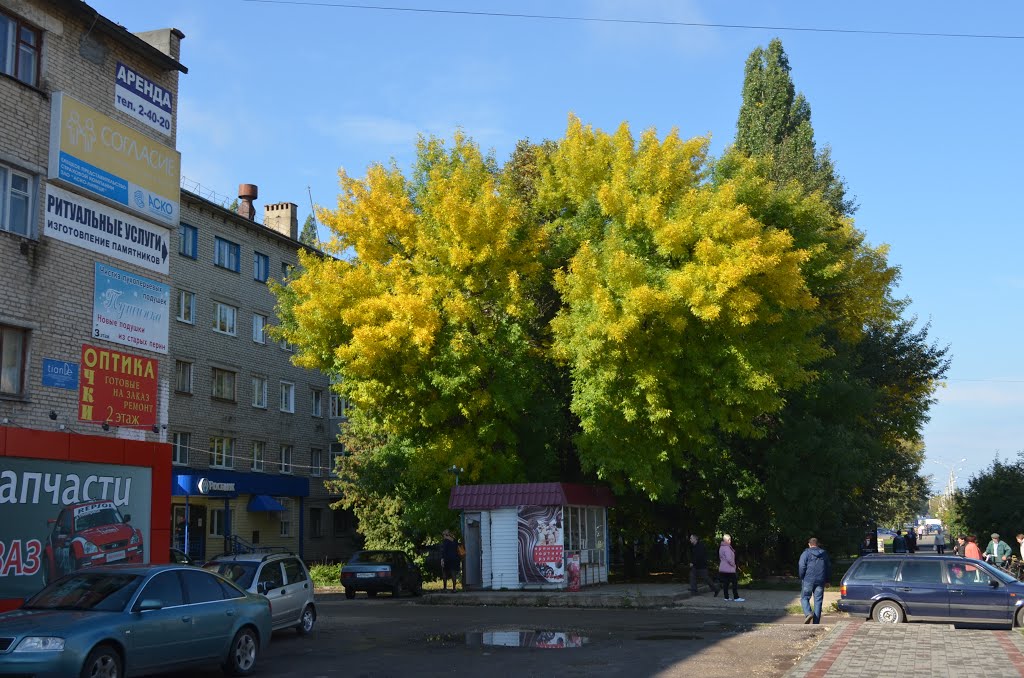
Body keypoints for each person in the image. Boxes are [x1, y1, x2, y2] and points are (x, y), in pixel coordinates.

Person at [798, 537, 831, 624]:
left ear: (809, 544)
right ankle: (816, 623)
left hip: (808, 580)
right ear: (817, 544)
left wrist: (802, 577)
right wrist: (827, 580)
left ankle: (808, 613)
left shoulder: (805, 553)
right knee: (818, 601)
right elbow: (828, 568)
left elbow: (801, 566)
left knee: (804, 598)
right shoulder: (824, 554)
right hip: (820, 581)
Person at [718, 534, 744, 602]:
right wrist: (734, 565)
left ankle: (726, 597)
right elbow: (729, 559)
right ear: (727, 540)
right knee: (734, 582)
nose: (730, 541)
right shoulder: (727, 548)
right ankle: (736, 597)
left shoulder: (721, 547)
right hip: (729, 569)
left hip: (723, 568)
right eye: (729, 539)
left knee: (726, 583)